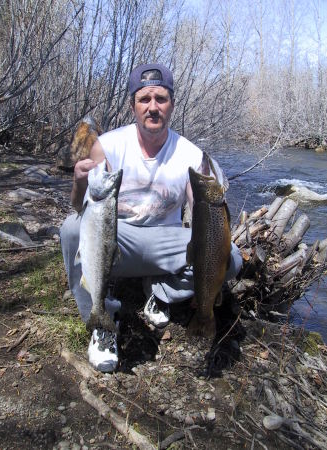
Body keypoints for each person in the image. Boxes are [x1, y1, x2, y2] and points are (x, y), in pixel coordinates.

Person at [60, 63, 242, 372]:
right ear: (132, 104)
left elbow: (205, 220)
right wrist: (78, 181)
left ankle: (160, 292)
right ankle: (102, 321)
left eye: (161, 99)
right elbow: (80, 207)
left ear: (171, 104)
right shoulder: (107, 145)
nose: (153, 107)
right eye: (145, 99)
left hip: (164, 244)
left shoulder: (190, 155)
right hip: (117, 241)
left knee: (232, 258)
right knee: (70, 229)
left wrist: (217, 205)